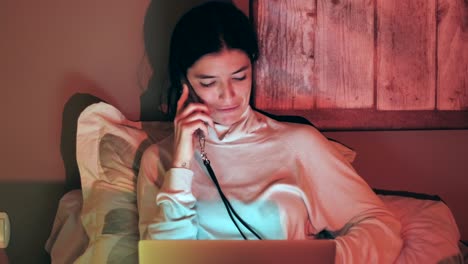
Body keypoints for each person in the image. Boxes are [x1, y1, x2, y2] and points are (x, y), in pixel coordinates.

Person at [137, 1, 403, 263]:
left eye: (240, 77)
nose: (228, 95)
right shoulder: (158, 160)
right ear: (184, 82)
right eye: (208, 83)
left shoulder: (299, 143)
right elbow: (164, 258)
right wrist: (181, 163)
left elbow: (382, 229)